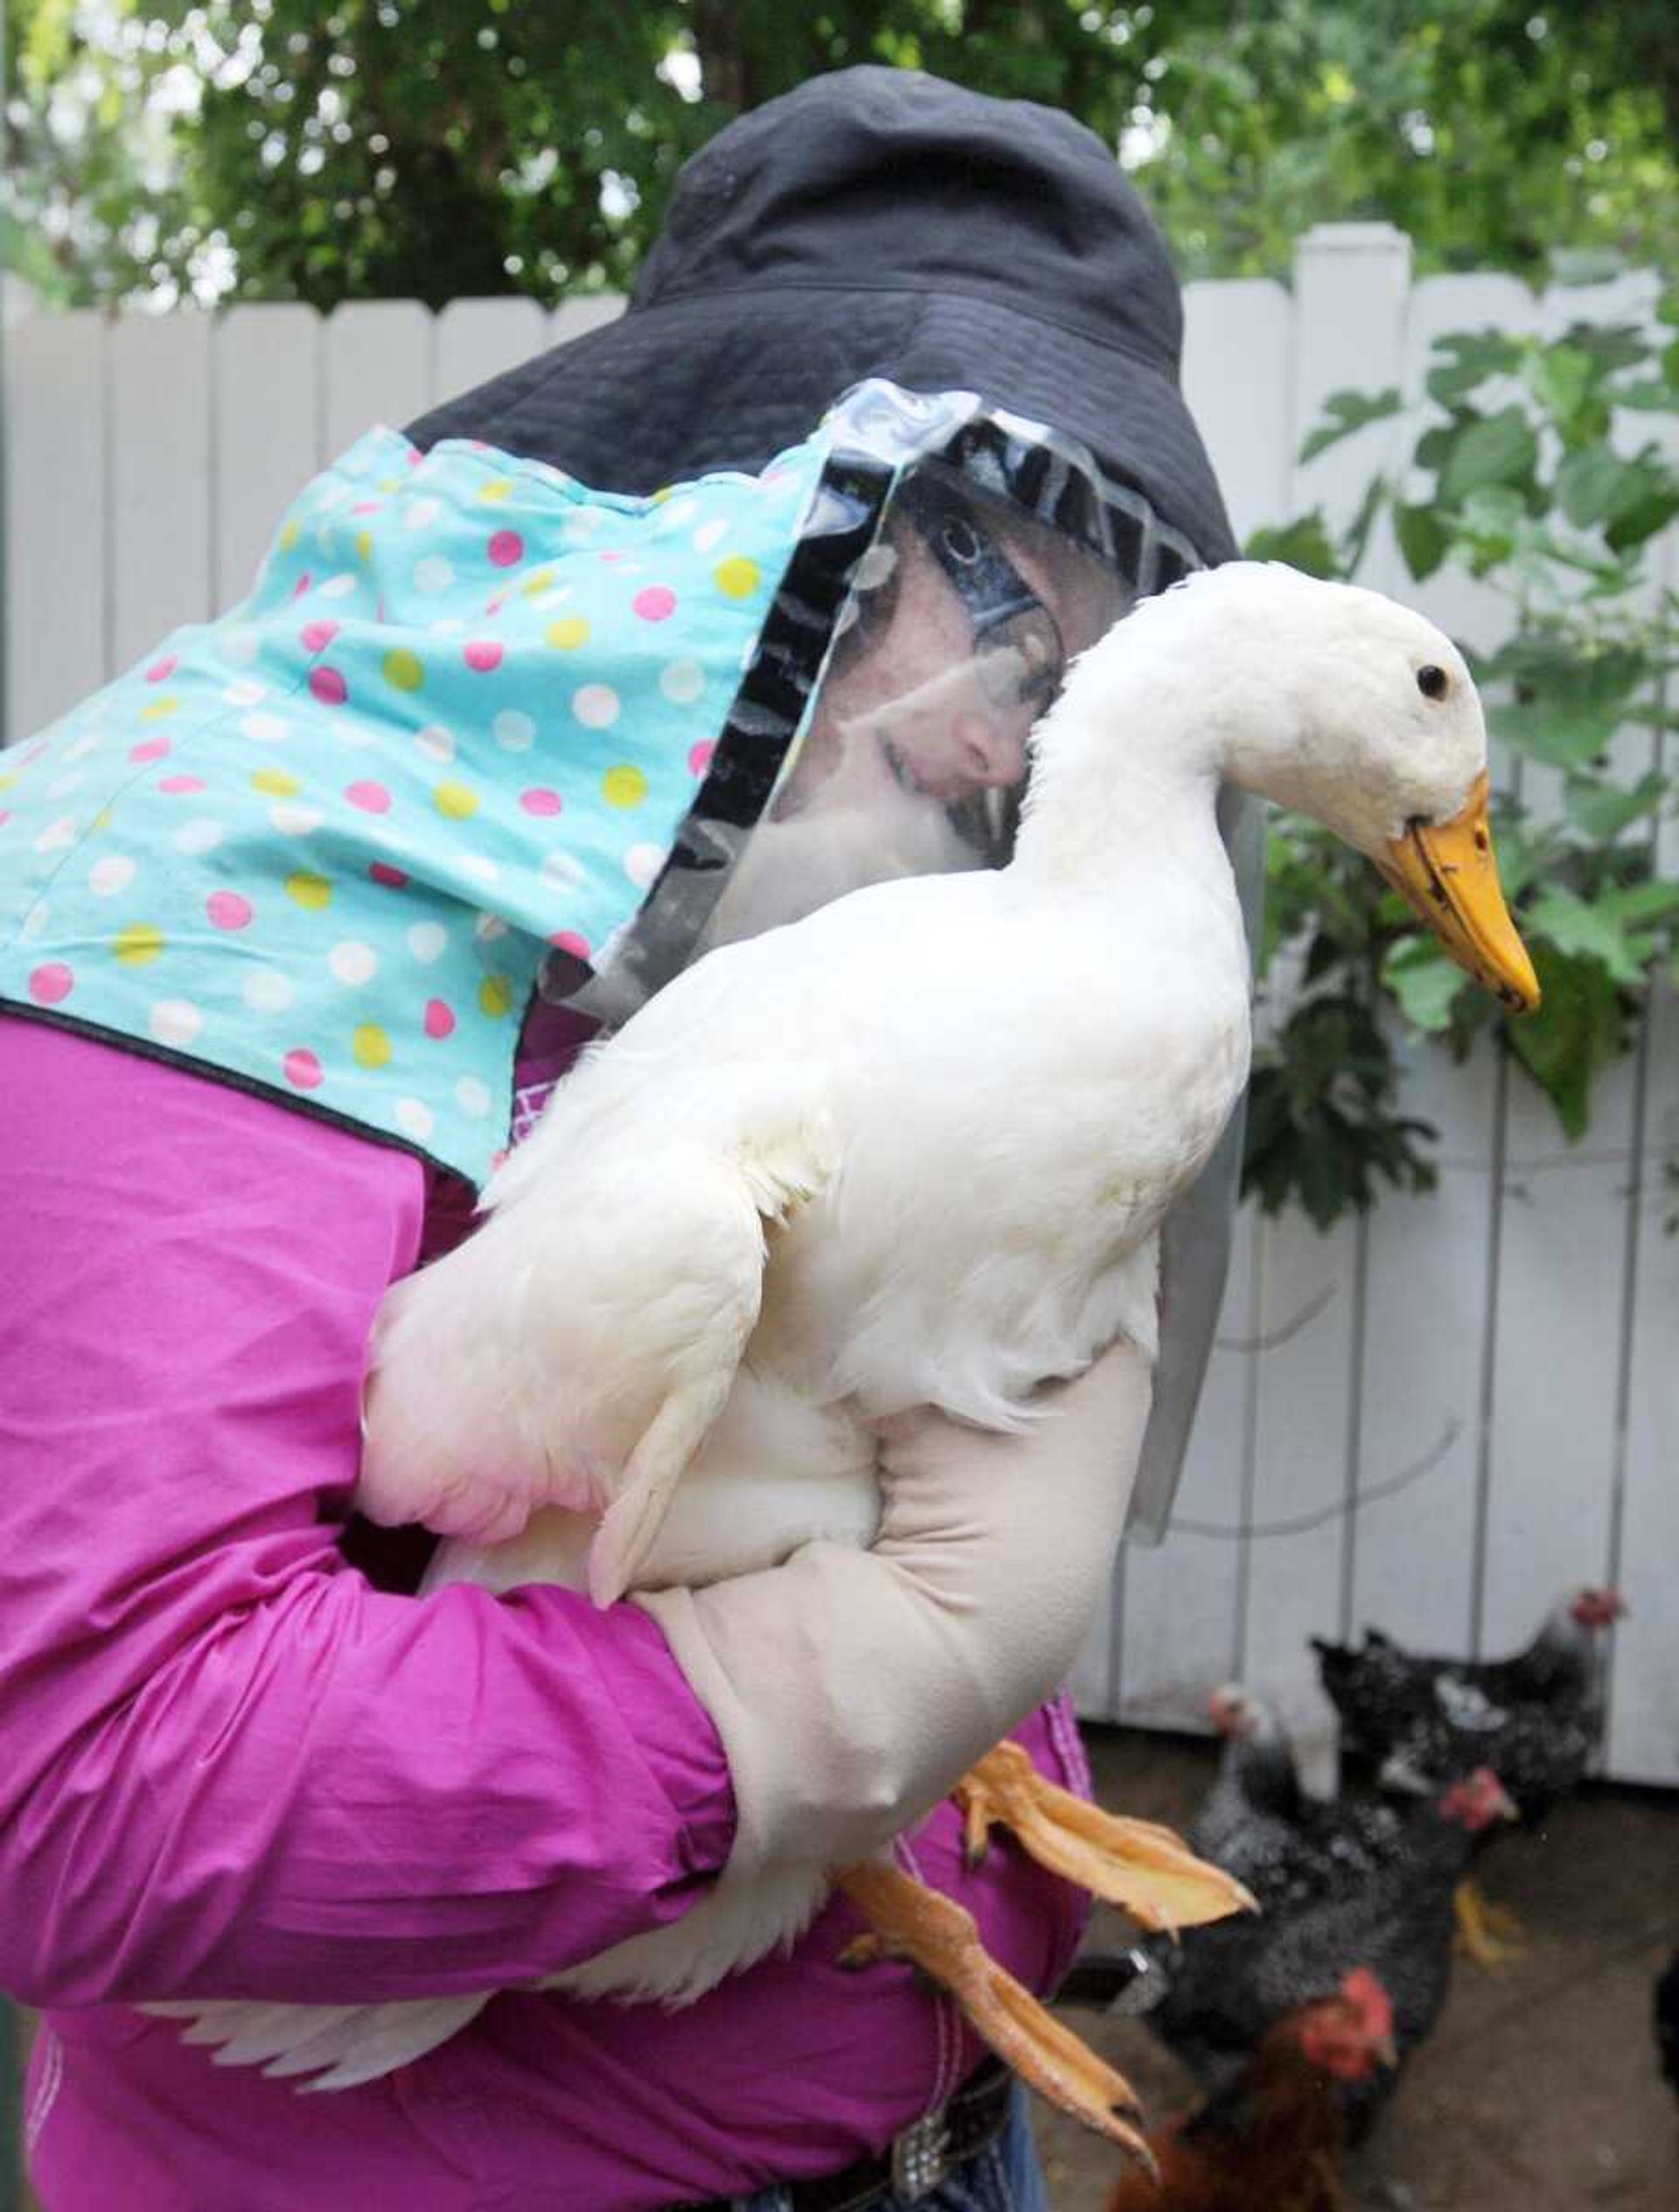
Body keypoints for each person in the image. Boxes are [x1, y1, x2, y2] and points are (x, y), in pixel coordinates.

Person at [0, 66, 1245, 2212]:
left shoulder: (826, 896)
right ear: (722, 484)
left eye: (1086, 645)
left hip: (940, 2149)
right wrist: (864, 1675)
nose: (998, 731)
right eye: (973, 569)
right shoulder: (209, 879)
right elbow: (101, 1783)